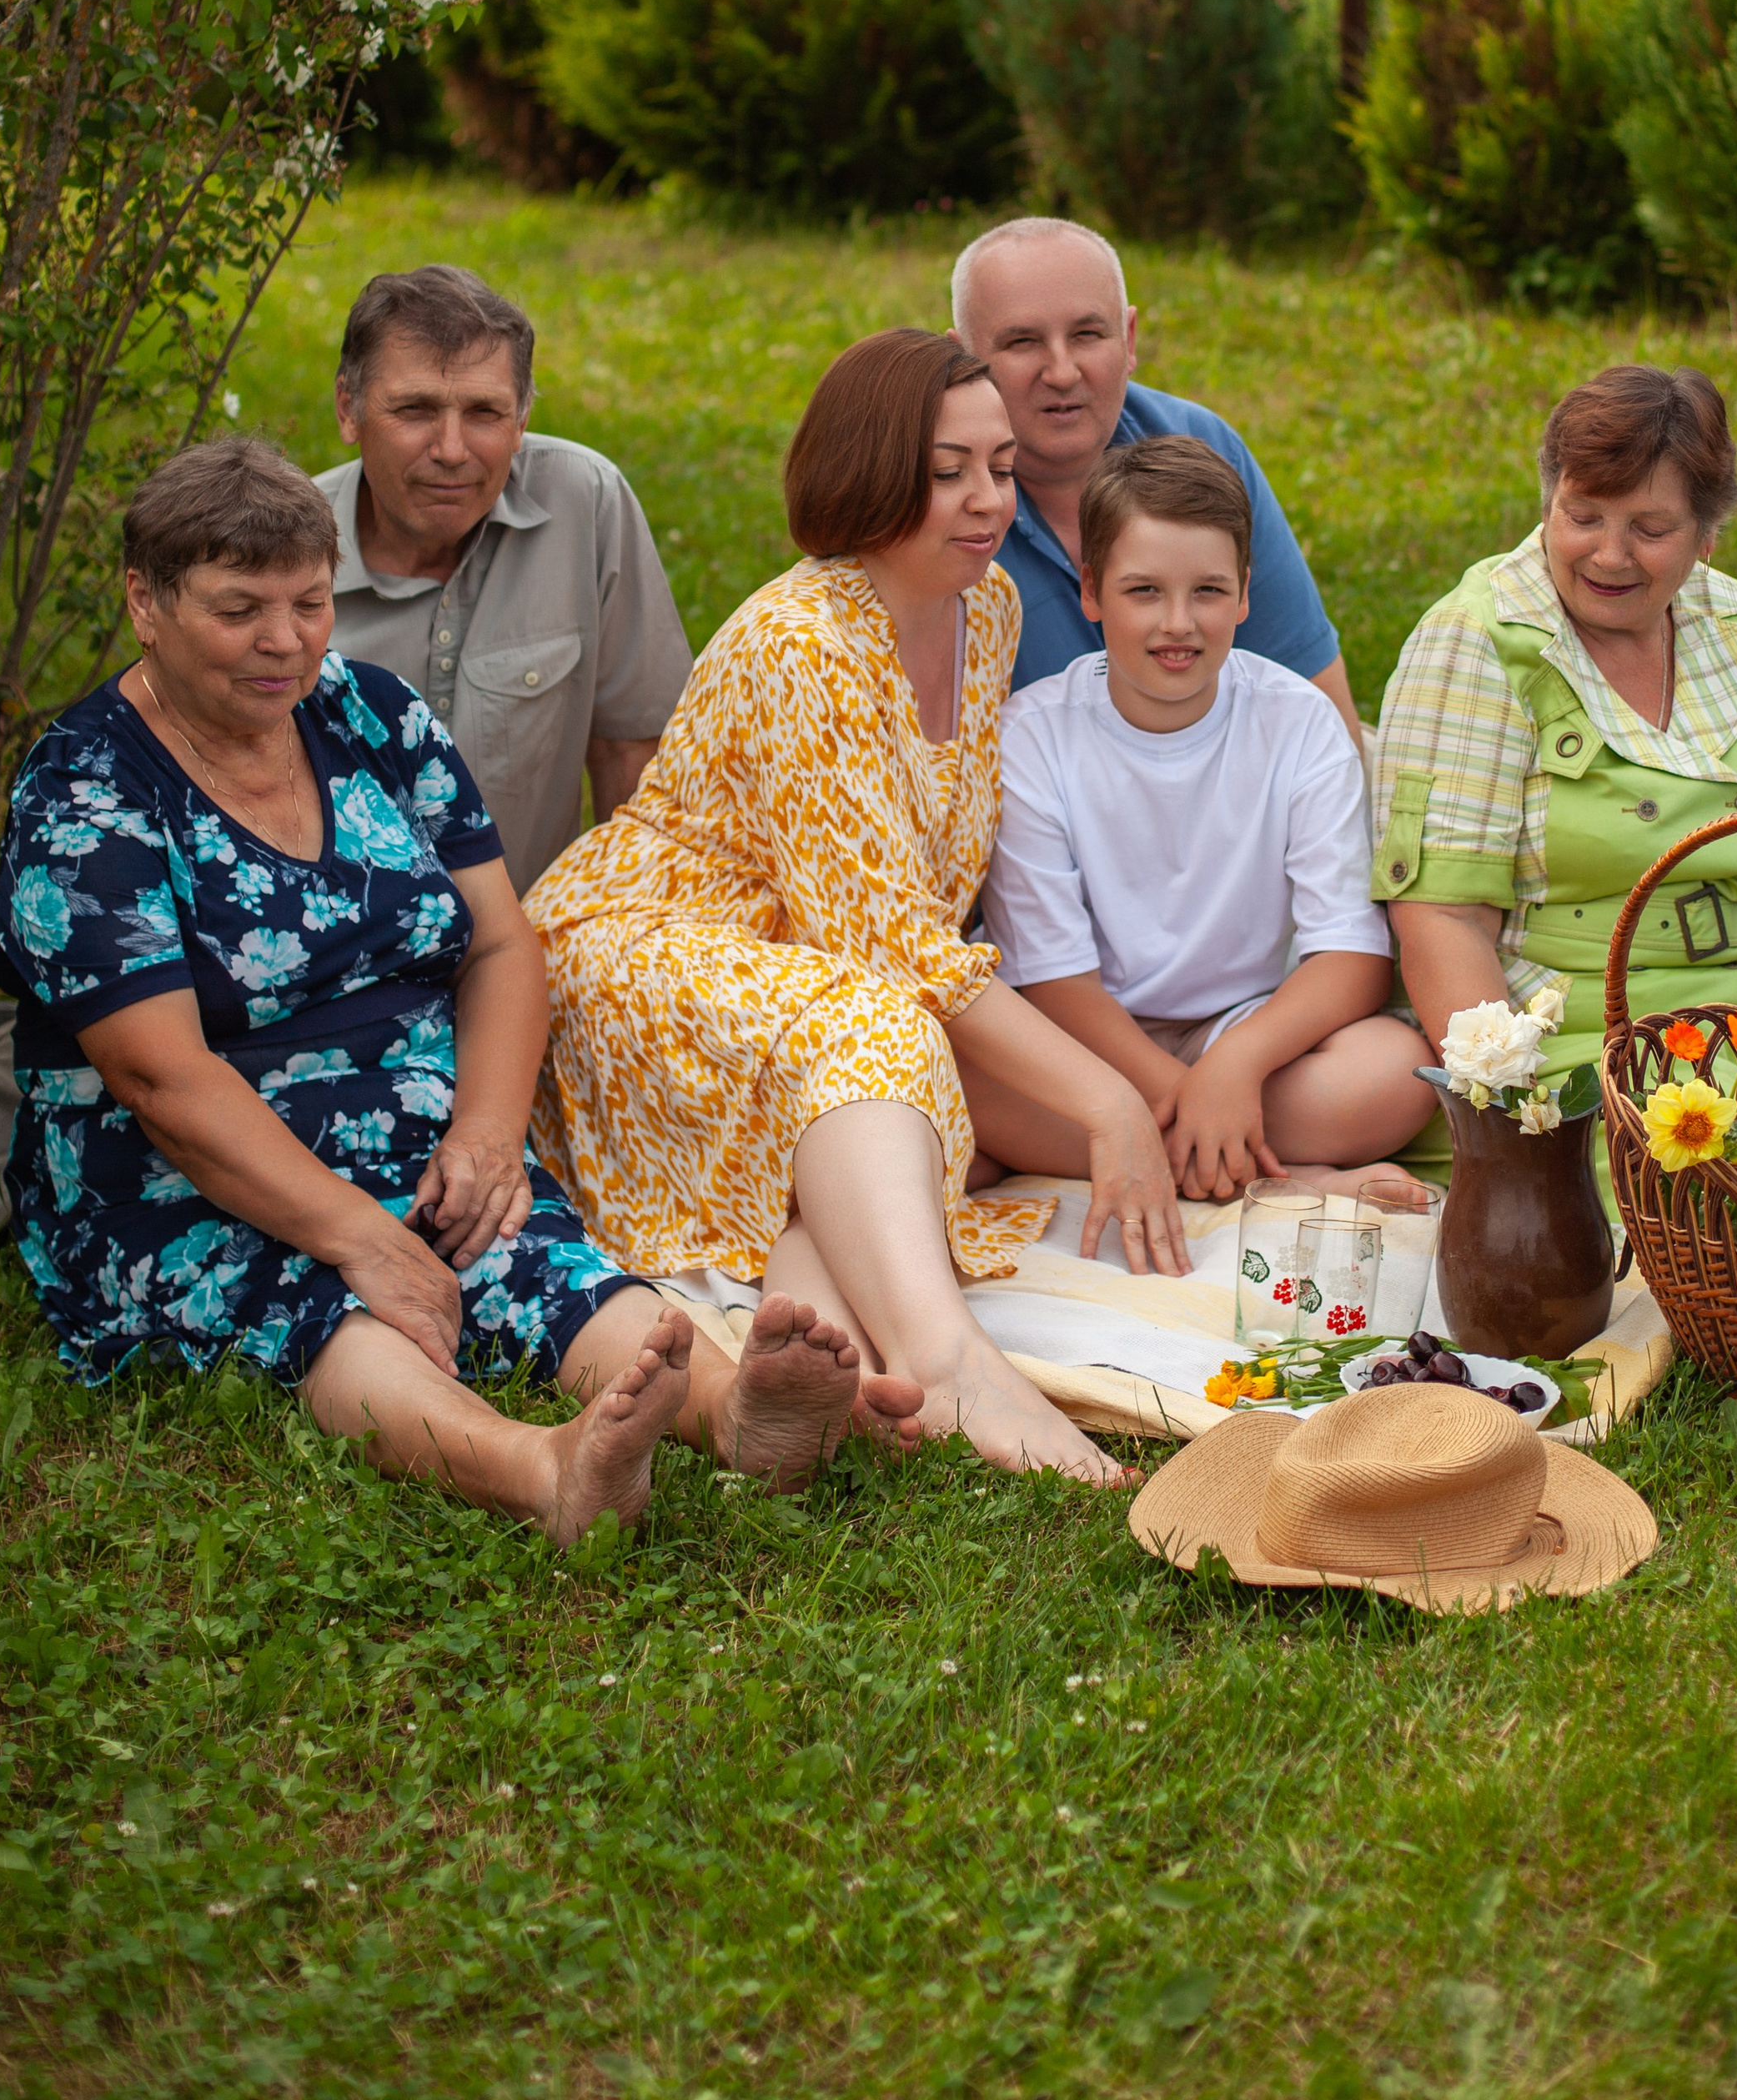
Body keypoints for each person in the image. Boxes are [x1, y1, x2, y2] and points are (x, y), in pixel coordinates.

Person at [0, 440, 915, 1542]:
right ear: (147, 603)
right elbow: (159, 1072)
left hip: (408, 1118)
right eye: (240, 610)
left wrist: (483, 1132)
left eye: (309, 603)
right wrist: (362, 1238)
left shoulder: (370, 715)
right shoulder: (85, 790)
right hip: (184, 1163)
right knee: (321, 1300)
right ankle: (540, 1471)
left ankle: (737, 1411)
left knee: (528, 1247)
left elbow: (500, 948)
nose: (285, 642)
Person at [526, 329, 1194, 1485]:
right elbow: (886, 943)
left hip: (799, 976)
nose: (987, 501)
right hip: (639, 952)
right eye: (948, 471)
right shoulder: (807, 637)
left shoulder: (987, 617)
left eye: (1000, 466)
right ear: (872, 470)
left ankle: (805, 1358)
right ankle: (948, 1366)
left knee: (898, 1100)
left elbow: (909, 907)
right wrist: (1110, 1102)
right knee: (884, 1031)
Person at [1373, 365, 1737, 1103]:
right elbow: (1441, 918)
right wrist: (1517, 1120)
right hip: (1573, 1064)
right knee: (1720, 1207)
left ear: (1707, 535)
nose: (1608, 554)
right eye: (1583, 516)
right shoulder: (1478, 639)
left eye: (1651, 529)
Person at [977, 437, 1438, 1203]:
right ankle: (1282, 1175)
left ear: (1246, 594)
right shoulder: (1030, 736)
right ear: (1091, 592)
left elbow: (1352, 957)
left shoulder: (1300, 724)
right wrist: (1184, 1094)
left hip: (1250, 1032)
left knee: (1396, 1071)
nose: (1178, 624)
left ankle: (1168, 1148)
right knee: (964, 1082)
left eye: (1209, 592)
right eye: (1144, 592)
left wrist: (1234, 1068)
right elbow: (1056, 979)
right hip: (1084, 1044)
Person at [315, 265, 692, 896]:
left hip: (540, 940)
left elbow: (637, 760)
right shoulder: (281, 553)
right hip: (343, 973)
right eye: (415, 410)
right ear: (349, 410)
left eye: (485, 412)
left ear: (521, 421)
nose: (452, 449)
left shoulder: (585, 502)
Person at [951, 217, 1362, 739]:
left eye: (1087, 334)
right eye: (1022, 342)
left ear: (1128, 338)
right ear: (964, 359)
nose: (1061, 372)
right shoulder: (932, 503)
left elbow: (1318, 710)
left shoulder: (1202, 447)